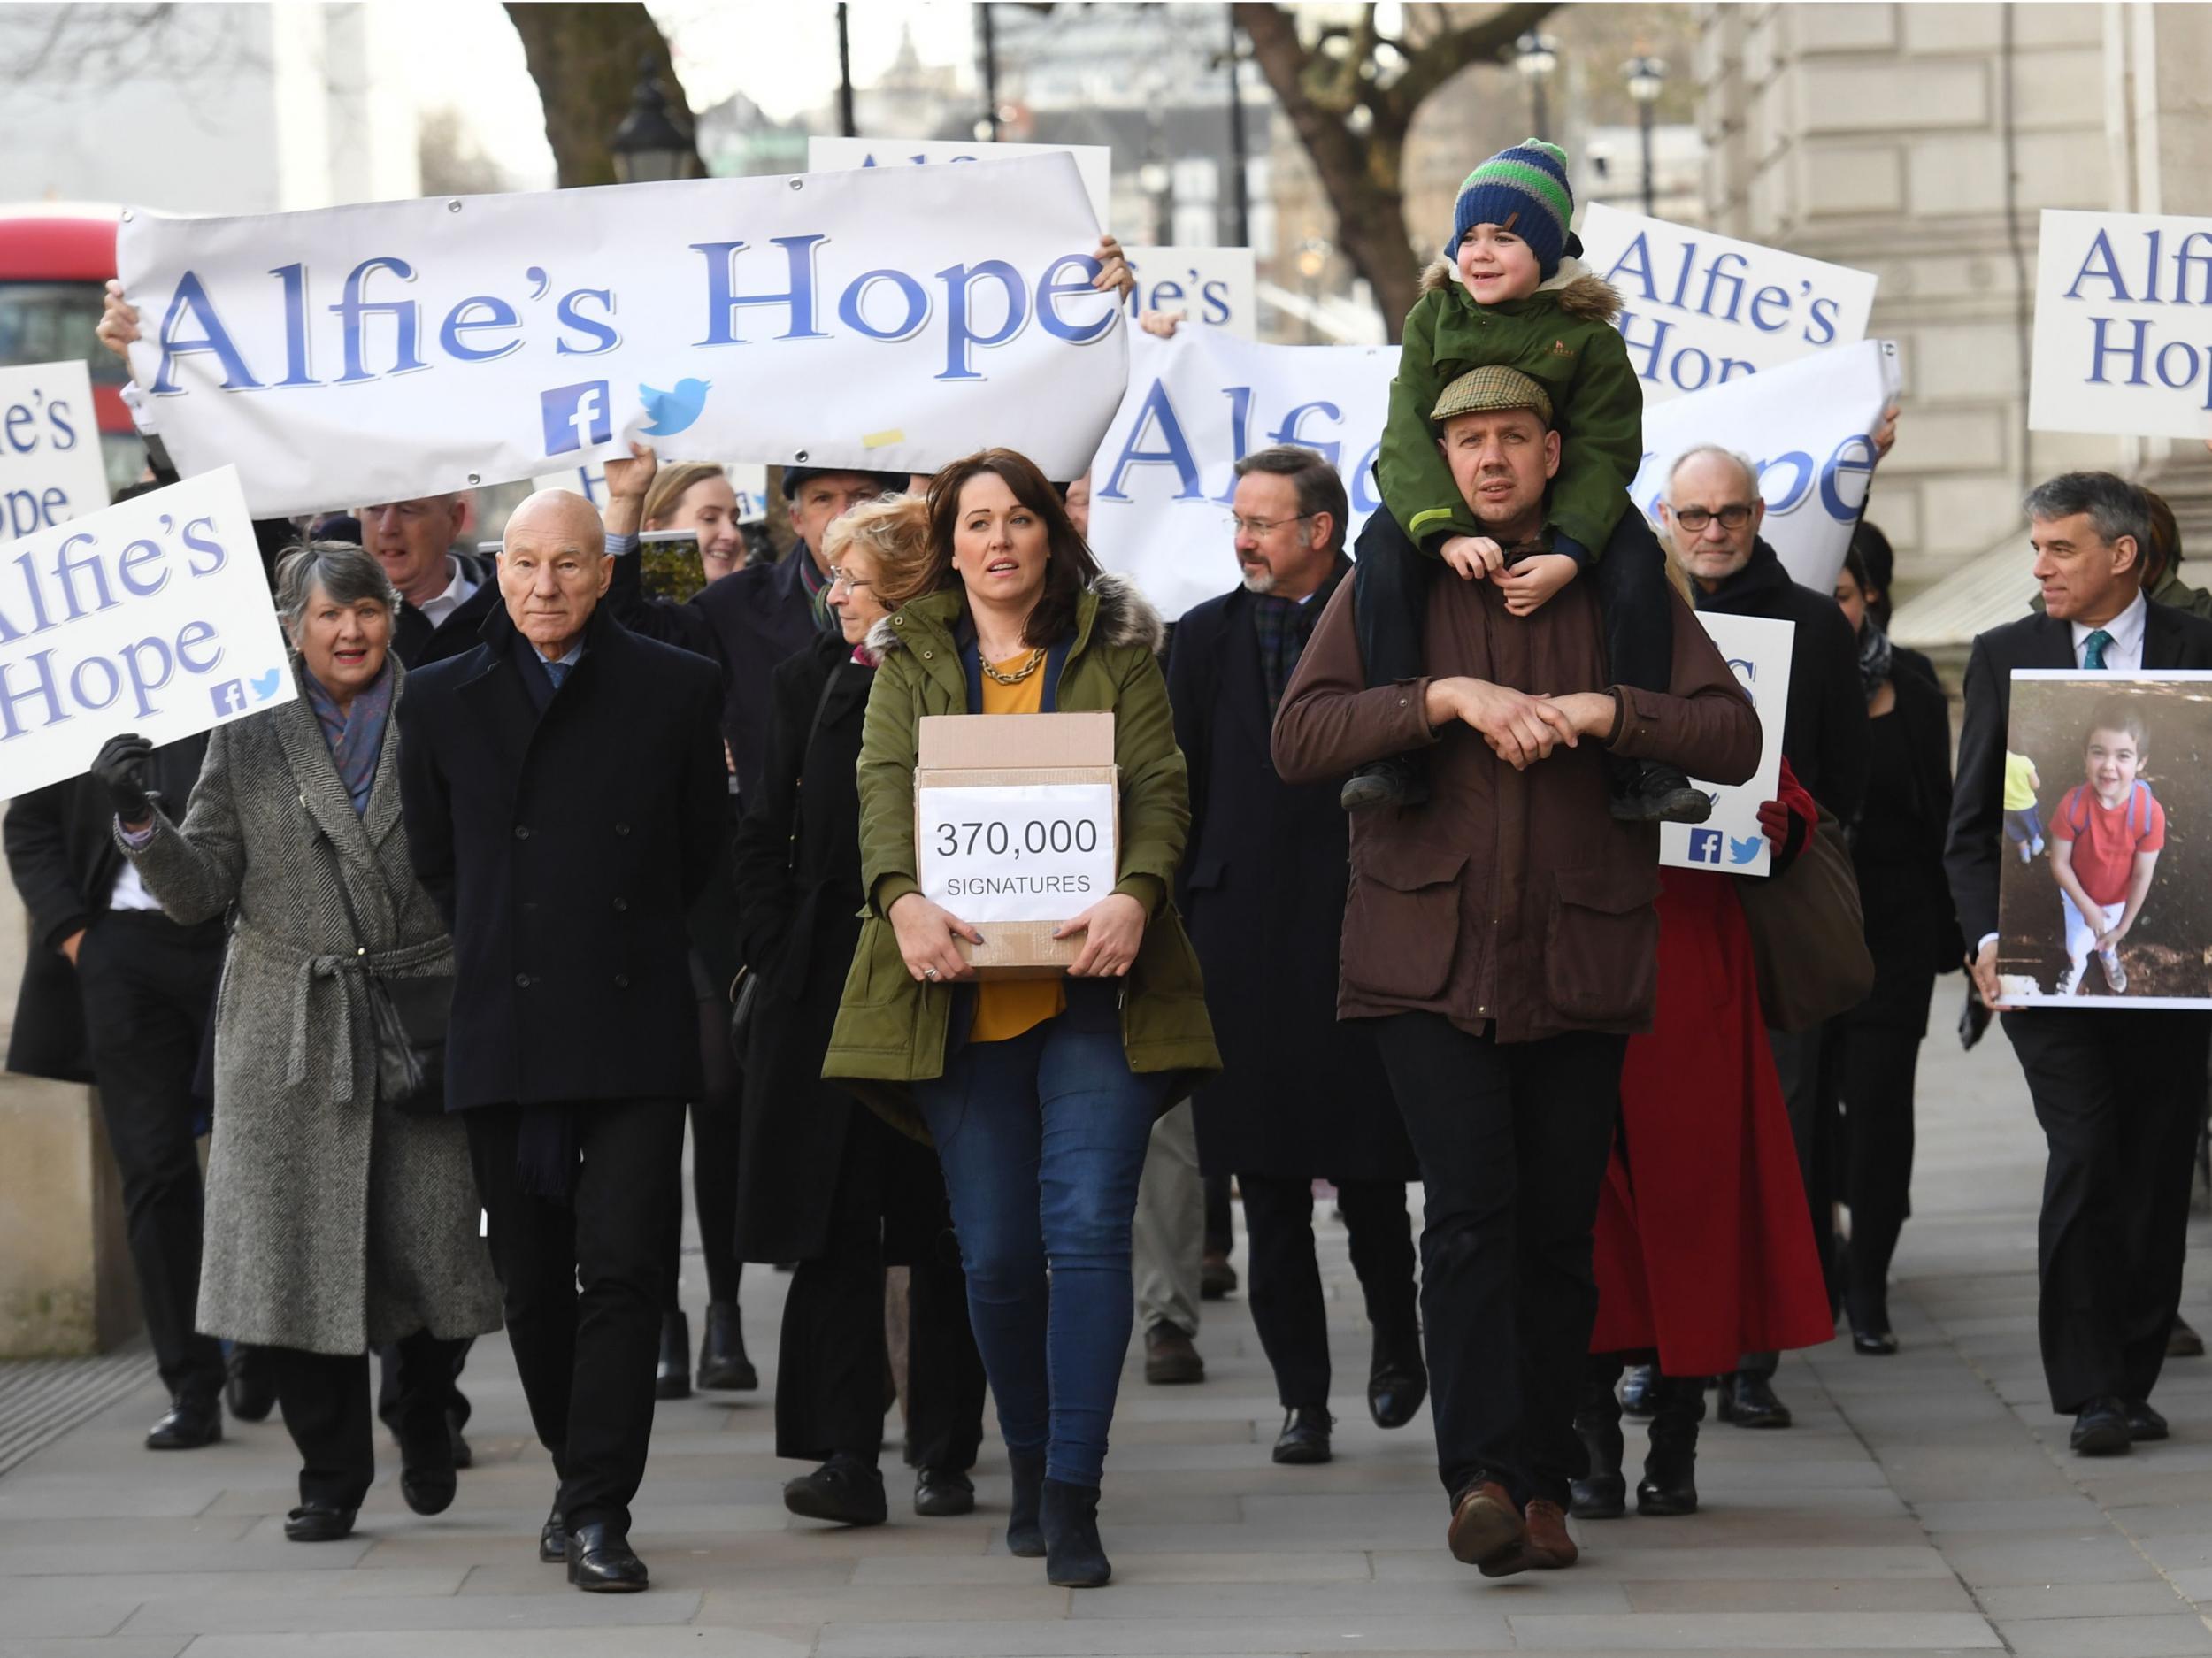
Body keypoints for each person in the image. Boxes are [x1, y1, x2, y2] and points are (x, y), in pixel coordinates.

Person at [1272, 365, 1761, 1577]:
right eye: (1468, 440)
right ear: (1440, 457)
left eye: (1511, 439)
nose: (1489, 459)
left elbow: (1733, 735)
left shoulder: (1621, 572)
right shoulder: (1396, 575)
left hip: (1581, 953)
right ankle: (1484, 1477)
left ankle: (1543, 1480)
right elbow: (1301, 733)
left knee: (1554, 1232)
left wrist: (1606, 712)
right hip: (1425, 962)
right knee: (1473, 1217)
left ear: (1555, 453)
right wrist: (1440, 694)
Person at [823, 448, 1219, 1589]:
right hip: (956, 998)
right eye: (977, 523)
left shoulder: (1120, 651)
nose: (999, 541)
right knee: (995, 1258)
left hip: (1097, 994)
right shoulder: (907, 661)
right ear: (948, 545)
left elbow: (1159, 788)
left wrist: (1138, 895)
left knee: (1089, 1231)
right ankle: (1033, 1453)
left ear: (1052, 533)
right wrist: (898, 902)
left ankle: (1073, 1491)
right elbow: (882, 790)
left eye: (1019, 520)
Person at [97, 542, 502, 1541]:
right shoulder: (248, 730)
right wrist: (138, 820)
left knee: (440, 1252)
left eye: (366, 610)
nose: (351, 630)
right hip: (288, 1018)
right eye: (329, 616)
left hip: (421, 1010)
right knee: (295, 1255)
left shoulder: (446, 704)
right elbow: (200, 893)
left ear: (392, 615)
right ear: (292, 626)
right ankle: (329, 1474)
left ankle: (420, 1402)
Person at [398, 489, 726, 1589]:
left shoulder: (676, 686)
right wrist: (502, 941)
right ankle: (569, 1469)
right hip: (505, 1019)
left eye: (569, 565)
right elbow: (437, 861)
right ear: (496, 569)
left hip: (632, 1017)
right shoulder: (440, 698)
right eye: (525, 563)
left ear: (603, 571)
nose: (545, 585)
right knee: (532, 1282)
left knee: (627, 1270)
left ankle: (598, 1508)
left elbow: (697, 849)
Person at [728, 492, 987, 1526]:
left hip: (942, 977)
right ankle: (844, 1450)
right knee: (833, 1223)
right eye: (833, 576)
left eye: (853, 577)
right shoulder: (805, 681)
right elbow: (762, 833)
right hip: (825, 988)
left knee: (941, 1221)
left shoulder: (967, 679)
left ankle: (946, 1444)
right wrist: (777, 949)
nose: (833, 593)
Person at [1167, 445, 1425, 1465]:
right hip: (1240, 948)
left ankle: (1399, 1349)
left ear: (1320, 530)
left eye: (1264, 521)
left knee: (1370, 1179)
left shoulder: (1383, 620)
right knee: (1265, 1186)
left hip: (1361, 932)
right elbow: (1175, 790)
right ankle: (1302, 1401)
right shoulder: (1198, 638)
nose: (1243, 537)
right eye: (1238, 519)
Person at [1948, 470, 2212, 1455]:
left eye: (2059, 548)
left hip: (2175, 975)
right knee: (2088, 1149)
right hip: (2041, 965)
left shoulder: (2201, 649)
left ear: (2122, 554)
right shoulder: (2002, 654)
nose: (2040, 566)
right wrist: (1983, 940)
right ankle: (2090, 1385)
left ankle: (2133, 1372)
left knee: (2150, 1164)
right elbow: (1972, 823)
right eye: (2037, 547)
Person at [1344, 141, 1698, 825]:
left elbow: (1605, 445)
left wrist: (1570, 551)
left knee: (1636, 566)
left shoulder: (1587, 336)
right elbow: (1407, 437)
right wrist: (1443, 531)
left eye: (1503, 238)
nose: (1478, 253)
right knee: (1382, 551)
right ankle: (1394, 747)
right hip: (1454, 499)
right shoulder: (1431, 319)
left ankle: (1643, 760)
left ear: (1545, 250)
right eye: (1468, 237)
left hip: (1562, 504)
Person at [1660, 442, 1870, 1431]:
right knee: (1666, 1140)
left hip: (1766, 911)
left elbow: (1841, 778)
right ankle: (1661, 1347)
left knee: (1777, 1128)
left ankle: (1752, 1355)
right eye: (1693, 514)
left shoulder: (1814, 625)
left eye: (1729, 514)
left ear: (1757, 516)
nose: (1712, 532)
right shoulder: (1638, 615)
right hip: (1661, 920)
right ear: (1666, 517)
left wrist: (1777, 822)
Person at [1576, 755, 1837, 1521]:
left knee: (1694, 1200)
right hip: (1571, 955)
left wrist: (1780, 828)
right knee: (1585, 1209)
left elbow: (1788, 800)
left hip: (1689, 963)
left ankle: (1675, 1438)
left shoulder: (1707, 657)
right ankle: (1591, 1439)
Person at [5, 726, 226, 1450]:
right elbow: (30, 825)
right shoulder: (81, 692)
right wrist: (76, 938)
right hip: (121, 955)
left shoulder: (231, 677)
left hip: (235, 942)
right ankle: (190, 1384)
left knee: (256, 1155)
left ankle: (262, 1342)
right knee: (156, 1169)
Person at [610, 457, 757, 1401]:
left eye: (737, 516)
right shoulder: (651, 613)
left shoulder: (767, 609)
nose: (728, 532)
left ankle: (727, 1315)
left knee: (726, 1110)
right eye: (708, 516)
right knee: (649, 1122)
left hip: (732, 888)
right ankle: (662, 1316)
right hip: (646, 892)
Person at [1830, 541, 1962, 1354]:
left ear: (1872, 597)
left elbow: (1943, 815)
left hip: (1895, 937)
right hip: (1806, 937)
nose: (1832, 610)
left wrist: (1968, 936)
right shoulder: (1779, 676)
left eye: (1844, 595)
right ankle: (1816, 1261)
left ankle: (1868, 1284)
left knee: (1881, 1112)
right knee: (1811, 1116)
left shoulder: (1911, 685)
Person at [2048, 702, 2164, 998]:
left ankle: (2108, 956)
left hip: (2117, 901)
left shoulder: (2149, 813)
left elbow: (2141, 876)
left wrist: (2123, 927)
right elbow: (2059, 863)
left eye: (2123, 756)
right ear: (2085, 756)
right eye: (2098, 752)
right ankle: (2075, 967)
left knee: (2108, 938)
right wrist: (2086, 905)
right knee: (2076, 944)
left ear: (2141, 762)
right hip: (2077, 896)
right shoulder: (2072, 805)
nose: (2108, 765)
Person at [2004, 752, 2047, 863]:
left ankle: (2024, 854)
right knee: (2031, 824)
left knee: (2015, 829)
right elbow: (2036, 785)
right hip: (2026, 805)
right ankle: (2036, 844)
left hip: (2007, 807)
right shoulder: (2023, 762)